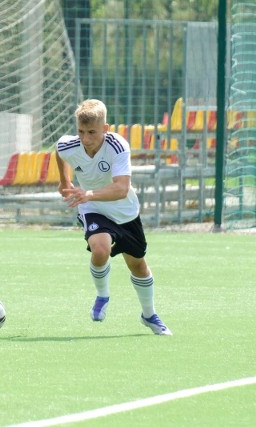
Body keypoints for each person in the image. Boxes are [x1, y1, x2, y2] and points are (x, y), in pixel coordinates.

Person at [55, 99, 172, 336]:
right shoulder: (70, 145)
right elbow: (58, 151)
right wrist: (64, 180)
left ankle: (148, 315)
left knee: (138, 265)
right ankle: (102, 295)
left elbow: (121, 189)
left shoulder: (117, 146)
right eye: (80, 131)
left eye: (91, 132)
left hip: (124, 211)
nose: (85, 138)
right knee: (100, 249)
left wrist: (87, 193)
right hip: (92, 208)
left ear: (105, 129)